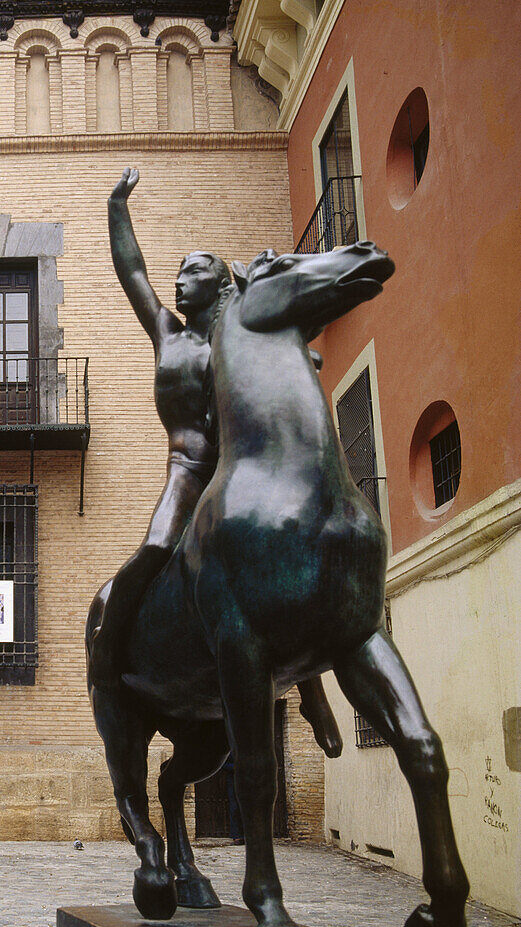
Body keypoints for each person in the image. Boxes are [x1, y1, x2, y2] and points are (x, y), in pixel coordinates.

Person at [91, 167, 343, 758]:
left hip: (243, 468)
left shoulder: (242, 336)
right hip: (189, 469)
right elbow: (133, 272)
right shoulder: (167, 336)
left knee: (273, 565)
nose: (179, 283)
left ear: (223, 281)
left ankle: (314, 697)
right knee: (155, 550)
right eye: (177, 273)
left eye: (194, 271)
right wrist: (116, 208)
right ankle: (108, 648)